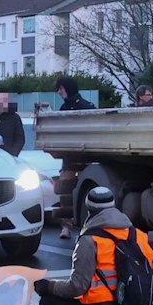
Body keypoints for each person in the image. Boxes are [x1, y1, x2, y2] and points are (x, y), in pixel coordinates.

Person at [31, 186, 153, 305]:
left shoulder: (89, 240)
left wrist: (48, 287)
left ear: (88, 209)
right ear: (113, 206)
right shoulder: (138, 235)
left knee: (47, 302)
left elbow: (76, 287)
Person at [50, 77, 93, 238]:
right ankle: (66, 226)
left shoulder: (84, 107)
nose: (59, 92)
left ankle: (80, 225)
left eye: (61, 89)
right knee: (66, 192)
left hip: (83, 157)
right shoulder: (65, 107)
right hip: (69, 158)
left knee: (79, 192)